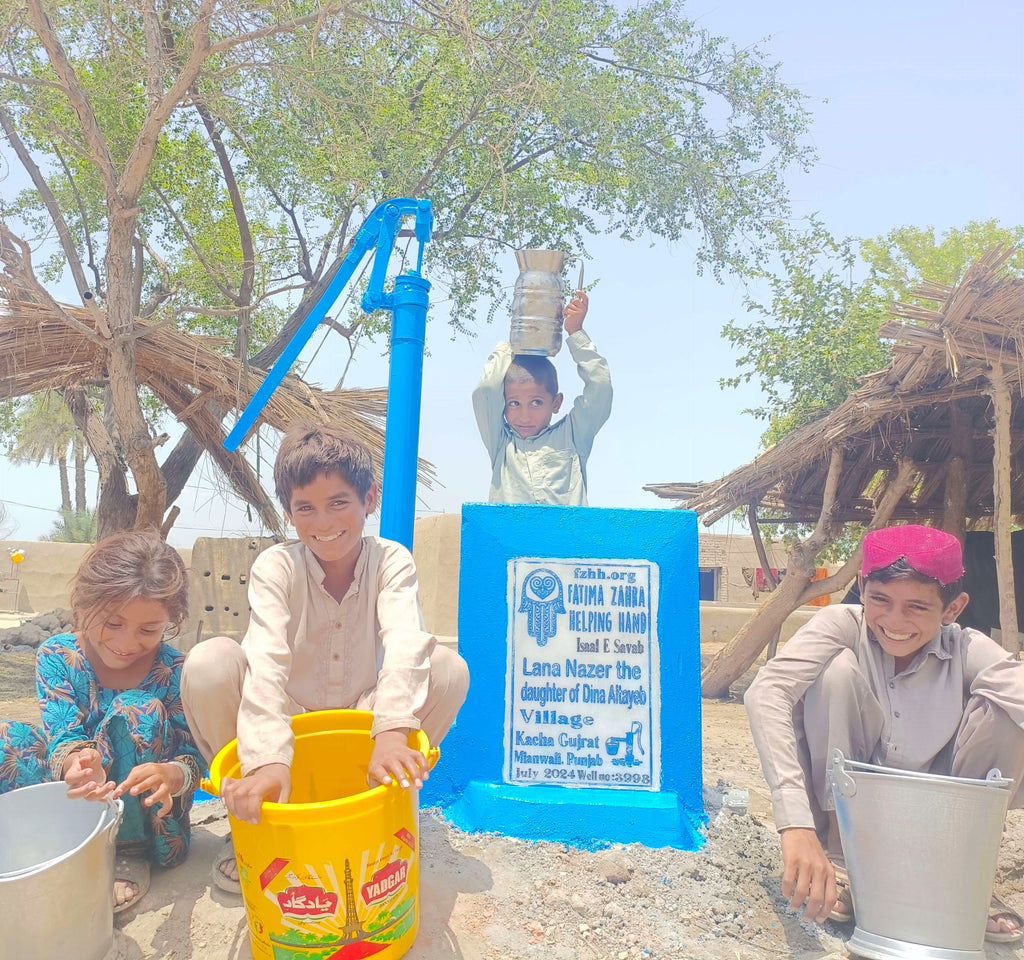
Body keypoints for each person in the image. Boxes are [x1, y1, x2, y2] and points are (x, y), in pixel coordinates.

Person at [182, 424, 470, 894]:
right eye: (306, 508)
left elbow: (404, 641)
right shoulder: (276, 566)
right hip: (288, 723)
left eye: (339, 503)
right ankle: (254, 819)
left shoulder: (391, 560)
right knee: (209, 662)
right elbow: (266, 661)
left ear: (369, 499)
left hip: (363, 726)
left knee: (448, 669)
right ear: (289, 512)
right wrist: (266, 758)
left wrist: (393, 730)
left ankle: (377, 804)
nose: (323, 522)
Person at [744, 524, 1024, 941]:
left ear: (953, 608)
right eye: (880, 600)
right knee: (834, 672)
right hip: (849, 822)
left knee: (1005, 711)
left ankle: (963, 880)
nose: (894, 621)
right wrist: (795, 824)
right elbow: (766, 692)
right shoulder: (841, 624)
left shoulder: (966, 647)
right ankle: (840, 864)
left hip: (936, 827)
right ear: (862, 586)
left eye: (916, 607)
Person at [0, 531, 202, 914]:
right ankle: (33, 848)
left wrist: (173, 774)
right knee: (8, 738)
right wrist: (76, 762)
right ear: (86, 604)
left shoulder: (176, 671)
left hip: (149, 821)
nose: (126, 642)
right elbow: (64, 735)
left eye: (148, 630)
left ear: (170, 622)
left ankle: (125, 854)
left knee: (136, 708)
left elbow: (194, 754)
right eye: (112, 623)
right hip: (77, 804)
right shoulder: (59, 655)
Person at [473, 289, 612, 505]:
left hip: (565, 539)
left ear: (556, 403)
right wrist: (516, 341)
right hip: (512, 539)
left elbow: (600, 386)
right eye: (514, 403)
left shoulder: (573, 435)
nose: (524, 415)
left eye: (536, 402)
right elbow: (486, 389)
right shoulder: (501, 442)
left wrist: (575, 332)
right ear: (502, 405)